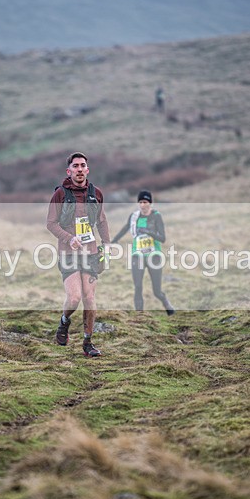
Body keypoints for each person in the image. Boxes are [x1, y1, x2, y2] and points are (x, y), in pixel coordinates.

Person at [46, 152, 111, 357]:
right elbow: (51, 223)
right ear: (69, 171)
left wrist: (107, 244)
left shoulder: (96, 193)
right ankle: (64, 323)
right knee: (74, 298)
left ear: (87, 169)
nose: (80, 169)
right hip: (68, 253)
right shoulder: (60, 194)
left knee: (89, 298)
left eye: (83, 165)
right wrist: (69, 238)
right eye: (76, 166)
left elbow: (101, 220)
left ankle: (88, 342)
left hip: (90, 253)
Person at [112, 190, 175, 315]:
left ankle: (166, 303)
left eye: (145, 202)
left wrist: (148, 232)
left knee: (156, 291)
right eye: (140, 202)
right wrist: (114, 241)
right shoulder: (134, 216)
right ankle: (139, 315)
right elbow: (126, 228)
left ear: (150, 203)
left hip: (154, 256)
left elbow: (162, 238)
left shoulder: (156, 216)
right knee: (138, 286)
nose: (142, 205)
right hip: (137, 255)